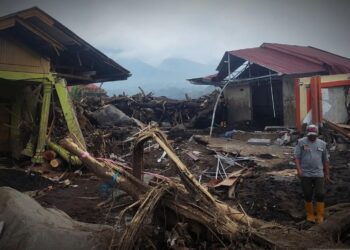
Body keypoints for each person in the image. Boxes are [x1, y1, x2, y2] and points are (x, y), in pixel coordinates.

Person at [294, 124, 330, 223]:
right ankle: (310, 215)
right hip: (305, 174)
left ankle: (320, 215)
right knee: (308, 194)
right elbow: (297, 157)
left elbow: (325, 160)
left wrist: (327, 173)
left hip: (318, 173)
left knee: (320, 194)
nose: (312, 136)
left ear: (317, 134)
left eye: (313, 135)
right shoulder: (301, 142)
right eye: (310, 135)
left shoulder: (322, 144)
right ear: (307, 133)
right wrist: (299, 170)